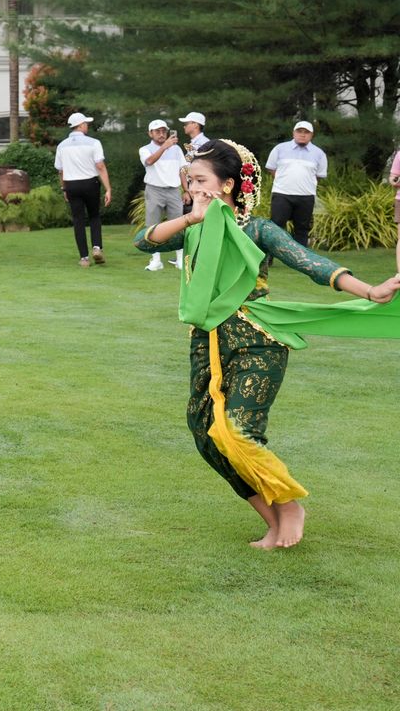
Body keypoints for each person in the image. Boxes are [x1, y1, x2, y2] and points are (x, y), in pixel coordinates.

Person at [134, 139, 400, 549]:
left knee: (238, 431)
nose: (193, 187)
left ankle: (289, 505)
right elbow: (144, 241)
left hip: (257, 340)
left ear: (227, 185)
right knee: (205, 431)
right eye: (190, 181)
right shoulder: (193, 227)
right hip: (207, 341)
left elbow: (310, 263)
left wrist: (369, 290)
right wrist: (191, 218)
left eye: (201, 180)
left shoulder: (257, 229)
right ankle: (272, 519)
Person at [55, 111, 111, 267]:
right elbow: (100, 166)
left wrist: (64, 188)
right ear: (80, 125)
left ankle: (84, 258)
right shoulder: (94, 143)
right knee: (94, 216)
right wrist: (108, 188)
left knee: (78, 220)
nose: (87, 126)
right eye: (86, 123)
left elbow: (61, 171)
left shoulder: (62, 146)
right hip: (90, 183)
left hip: (71, 185)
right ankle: (97, 247)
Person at [266, 121, 327, 247]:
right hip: (282, 194)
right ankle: (269, 256)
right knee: (275, 227)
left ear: (311, 135)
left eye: (306, 132)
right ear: (293, 133)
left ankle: (301, 257)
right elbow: (272, 169)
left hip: (306, 196)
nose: (302, 135)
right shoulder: (280, 149)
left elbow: (318, 176)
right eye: (299, 131)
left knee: (302, 229)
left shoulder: (319, 153)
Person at [140, 119, 185, 271]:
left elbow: (182, 170)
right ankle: (156, 260)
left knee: (178, 225)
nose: (161, 134)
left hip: (174, 190)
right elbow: (149, 161)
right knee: (152, 225)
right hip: (154, 190)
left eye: (163, 131)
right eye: (157, 131)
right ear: (150, 133)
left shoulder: (176, 149)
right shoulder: (144, 149)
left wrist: (186, 190)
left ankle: (180, 259)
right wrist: (165, 147)